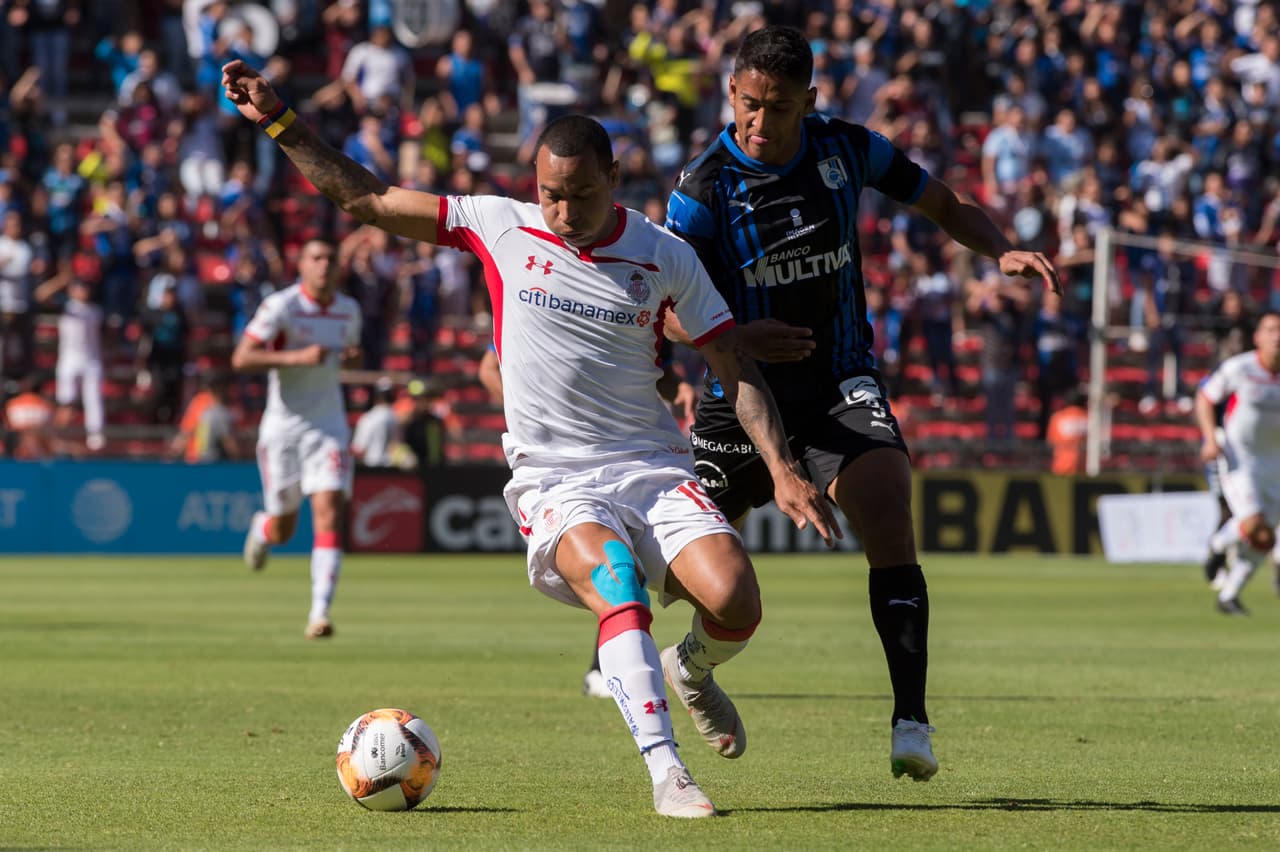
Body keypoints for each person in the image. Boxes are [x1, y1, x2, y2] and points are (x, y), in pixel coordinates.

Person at [221, 60, 837, 817]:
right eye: (551, 192)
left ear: (614, 176)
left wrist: (781, 466)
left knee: (737, 601)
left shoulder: (664, 253)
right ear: (533, 180)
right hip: (555, 478)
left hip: (651, 464)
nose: (565, 209)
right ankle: (667, 773)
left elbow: (730, 363)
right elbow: (368, 197)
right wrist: (280, 119)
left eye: (581, 194)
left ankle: (694, 671)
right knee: (617, 584)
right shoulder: (498, 224)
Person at [663, 26, 1061, 783]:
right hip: (739, 392)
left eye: (775, 108)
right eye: (746, 104)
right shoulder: (703, 189)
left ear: (808, 102)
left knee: (884, 500)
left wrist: (998, 248)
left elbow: (941, 201)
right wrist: (741, 331)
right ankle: (691, 665)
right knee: (687, 575)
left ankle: (911, 718)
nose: (757, 121)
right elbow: (666, 308)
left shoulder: (848, 149)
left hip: (840, 377)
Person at [231, 238, 363, 641]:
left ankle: (319, 612)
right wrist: (296, 358)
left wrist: (348, 359)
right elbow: (242, 358)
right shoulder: (282, 306)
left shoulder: (348, 310)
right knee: (285, 527)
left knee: (328, 511)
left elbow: (344, 353)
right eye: (316, 258)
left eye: (330, 258)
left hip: (328, 426)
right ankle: (264, 527)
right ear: (301, 265)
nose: (324, 265)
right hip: (284, 428)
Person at [1194, 311, 1280, 616]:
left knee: (1265, 537)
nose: (1277, 336)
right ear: (1257, 337)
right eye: (1270, 330)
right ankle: (1218, 546)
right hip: (1238, 459)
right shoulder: (1240, 368)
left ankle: (1229, 595)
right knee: (1254, 524)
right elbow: (1205, 397)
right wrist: (1209, 438)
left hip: (1275, 464)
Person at [170, 372, 238, 463]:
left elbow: (184, 434)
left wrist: (171, 456)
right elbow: (229, 442)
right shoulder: (213, 408)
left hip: (194, 461)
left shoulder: (198, 401)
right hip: (209, 462)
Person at [351, 377, 403, 468]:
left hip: (370, 468)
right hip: (390, 469)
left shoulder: (368, 418)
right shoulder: (395, 417)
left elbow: (359, 449)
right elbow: (398, 445)